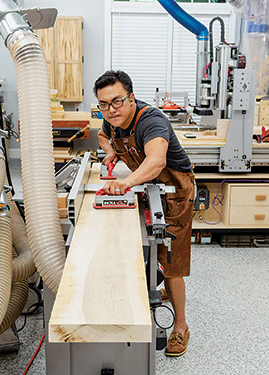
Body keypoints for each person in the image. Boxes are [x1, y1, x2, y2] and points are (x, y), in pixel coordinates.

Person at [94, 70, 195, 357]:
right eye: (103, 104)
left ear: (131, 98)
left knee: (172, 262)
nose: (111, 110)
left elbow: (156, 160)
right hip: (148, 187)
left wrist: (125, 181)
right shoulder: (111, 121)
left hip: (175, 191)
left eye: (117, 102)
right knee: (144, 245)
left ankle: (181, 326)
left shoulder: (150, 121)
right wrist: (111, 151)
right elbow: (103, 136)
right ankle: (154, 286)